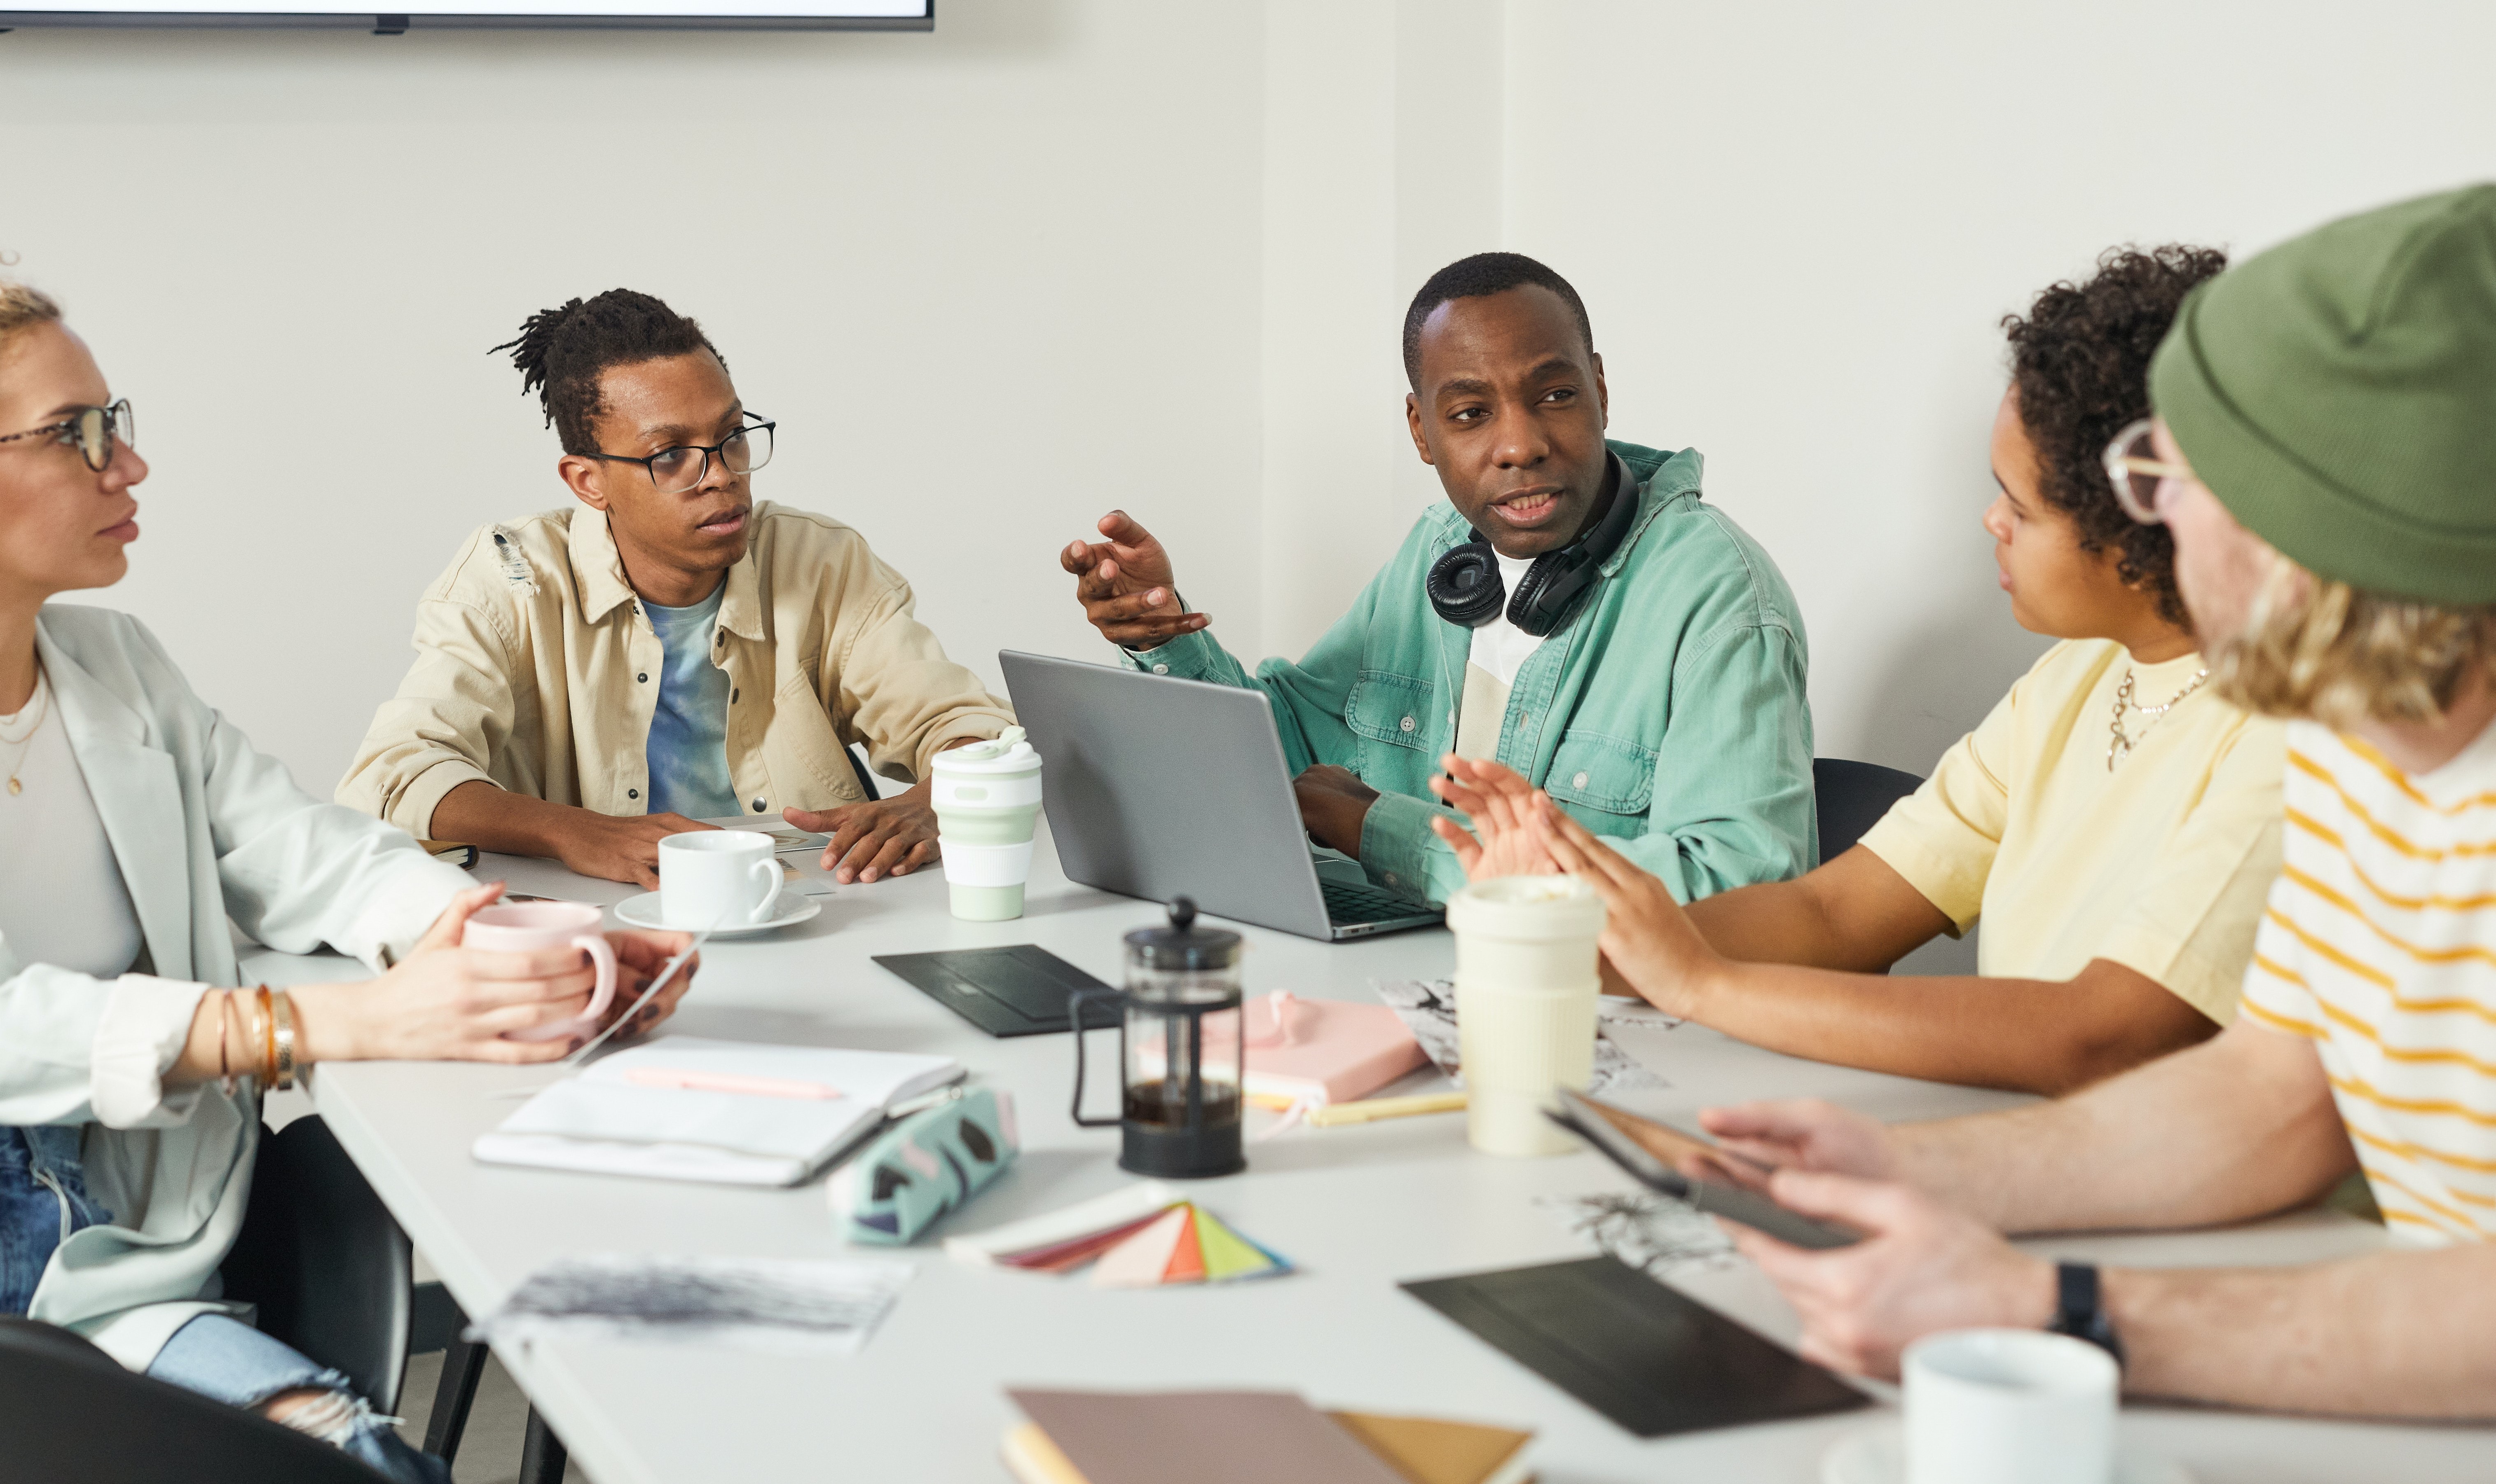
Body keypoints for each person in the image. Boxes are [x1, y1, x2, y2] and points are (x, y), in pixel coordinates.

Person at [0, 216, 700, 1481]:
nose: (129, 463)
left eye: (113, 419)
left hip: (106, 1270)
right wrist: (327, 1025)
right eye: (77, 433)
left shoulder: (119, 671)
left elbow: (308, 850)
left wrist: (504, 940)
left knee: (364, 1467)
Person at [1623, 188, 2494, 1414]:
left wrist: (2059, 1313)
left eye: (2173, 477)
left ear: (2341, 526)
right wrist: (1895, 1168)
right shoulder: (2355, 748)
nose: (2154, 518)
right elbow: (2271, 1099)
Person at [1436, 247, 2284, 1094]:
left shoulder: (2293, 734)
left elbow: (2102, 1036)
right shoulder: (2074, 681)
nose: (1991, 519)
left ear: (2149, 526)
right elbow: (1832, 913)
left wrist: (1700, 981)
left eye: (2021, 506)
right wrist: (1567, 929)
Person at [1060, 252, 1814, 906]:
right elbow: (1287, 754)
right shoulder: (1442, 552)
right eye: (1471, 413)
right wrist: (1167, 637)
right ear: (1423, 431)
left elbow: (1743, 887)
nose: (1520, 445)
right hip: (1408, 970)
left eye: (1555, 395)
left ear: (1601, 391)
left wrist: (1390, 835)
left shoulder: (1719, 599)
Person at [337, 288, 1014, 888]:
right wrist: (577, 832)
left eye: (732, 438)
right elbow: (394, 775)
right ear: (587, 482)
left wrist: (932, 802)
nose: (722, 475)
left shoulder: (820, 561)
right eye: (669, 457)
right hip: (603, 937)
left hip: (810, 909)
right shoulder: (511, 581)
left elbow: (973, 732)